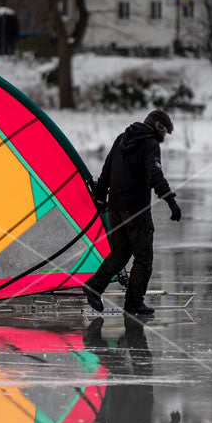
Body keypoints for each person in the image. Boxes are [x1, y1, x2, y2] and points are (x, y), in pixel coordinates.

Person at [84, 109, 181, 317]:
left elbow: (106, 171)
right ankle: (134, 303)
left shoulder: (121, 138)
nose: (164, 138)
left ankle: (94, 287)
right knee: (144, 258)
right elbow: (155, 174)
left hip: (116, 207)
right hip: (136, 209)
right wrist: (171, 201)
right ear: (159, 128)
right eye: (165, 133)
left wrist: (101, 197)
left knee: (121, 252)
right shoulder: (150, 144)